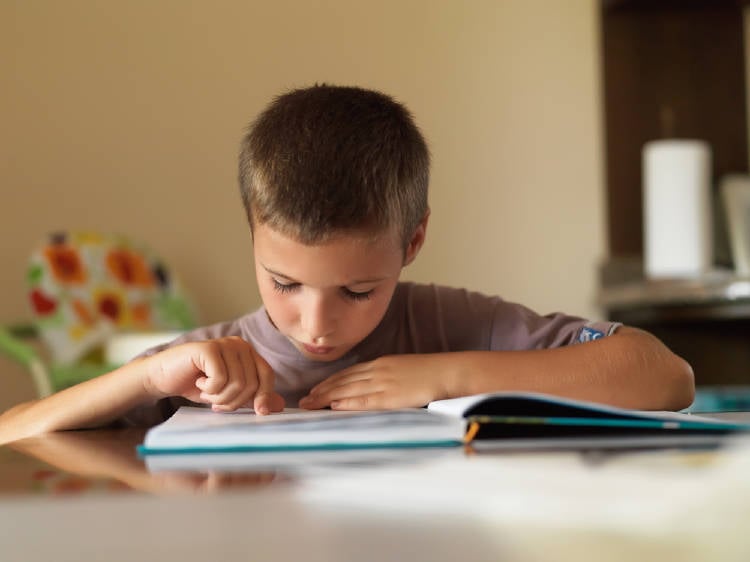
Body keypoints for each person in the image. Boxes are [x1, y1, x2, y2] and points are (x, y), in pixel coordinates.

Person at [0, 85, 694, 443]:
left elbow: (665, 376)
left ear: (412, 243)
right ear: (252, 236)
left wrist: (445, 375)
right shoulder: (214, 362)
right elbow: (12, 431)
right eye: (283, 283)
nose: (317, 323)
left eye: (359, 289)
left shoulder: (446, 322)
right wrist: (149, 374)